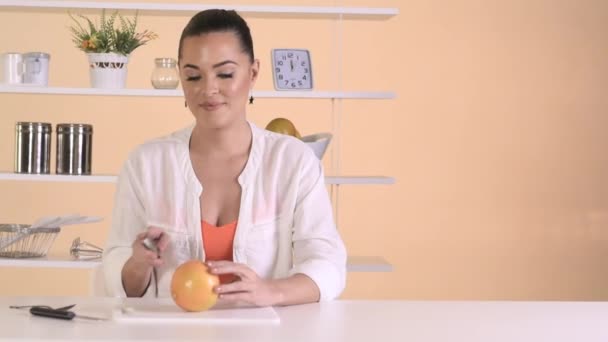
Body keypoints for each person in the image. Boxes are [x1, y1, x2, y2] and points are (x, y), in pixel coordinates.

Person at [102, 9, 347, 306]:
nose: (208, 90)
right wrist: (138, 263)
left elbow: (328, 265)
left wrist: (272, 291)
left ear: (253, 73)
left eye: (225, 74)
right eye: (193, 76)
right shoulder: (146, 164)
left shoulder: (292, 161)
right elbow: (117, 272)